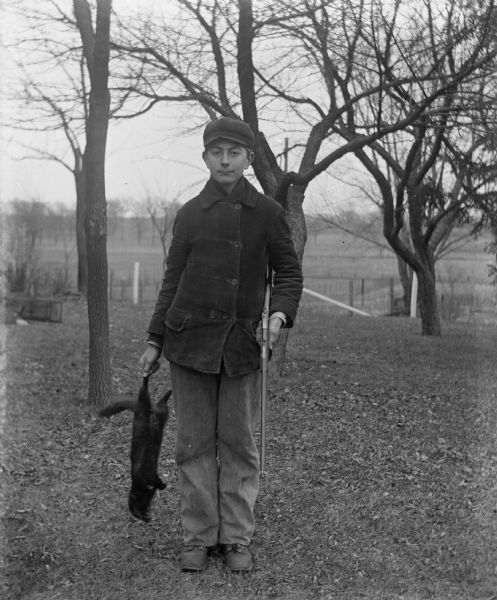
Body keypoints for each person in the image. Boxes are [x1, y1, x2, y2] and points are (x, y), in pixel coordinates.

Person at [139, 117, 303, 572]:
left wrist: (279, 313)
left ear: (249, 158)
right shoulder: (191, 213)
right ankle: (197, 534)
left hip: (241, 347)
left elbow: (288, 274)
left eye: (234, 152)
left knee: (237, 443)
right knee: (192, 444)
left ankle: (235, 538)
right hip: (188, 343)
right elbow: (172, 280)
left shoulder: (269, 213)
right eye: (217, 152)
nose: (225, 160)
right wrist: (155, 338)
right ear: (206, 157)